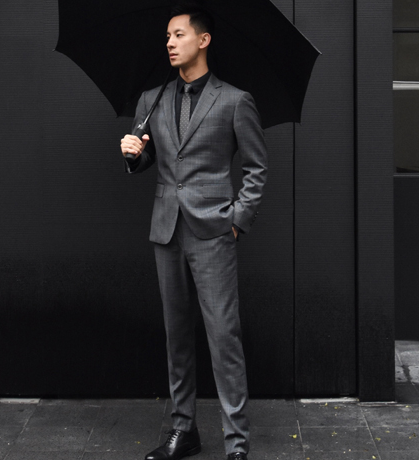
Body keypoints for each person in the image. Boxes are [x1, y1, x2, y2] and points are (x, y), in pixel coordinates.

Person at [120, 5, 267, 460]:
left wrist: (236, 221)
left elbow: (257, 168)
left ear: (203, 40)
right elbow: (147, 160)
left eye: (179, 34)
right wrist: (132, 153)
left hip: (213, 231)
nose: (169, 42)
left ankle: (236, 443)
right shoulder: (153, 99)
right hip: (166, 230)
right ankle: (183, 430)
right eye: (167, 36)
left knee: (224, 337)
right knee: (177, 336)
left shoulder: (234, 100)